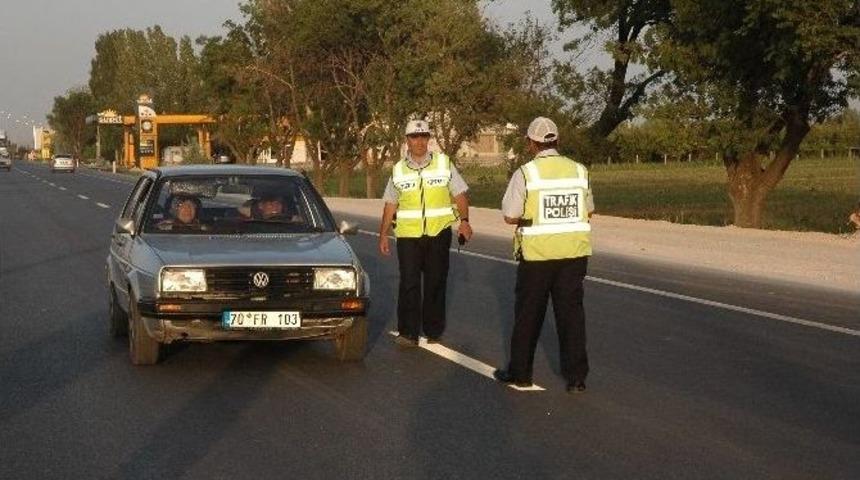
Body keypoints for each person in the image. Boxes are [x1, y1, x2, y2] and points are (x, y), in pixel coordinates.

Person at [493, 117, 594, 394]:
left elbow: (510, 216)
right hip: (573, 255)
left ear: (530, 143)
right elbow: (589, 210)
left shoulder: (526, 173)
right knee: (572, 316)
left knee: (528, 315)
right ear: (557, 141)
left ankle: (520, 374)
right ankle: (576, 379)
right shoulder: (579, 171)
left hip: (537, 256)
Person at [378, 119, 473, 346]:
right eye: (414, 137)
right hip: (408, 236)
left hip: (438, 233)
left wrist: (465, 222)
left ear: (428, 139)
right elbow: (390, 204)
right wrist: (383, 234)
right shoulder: (398, 170)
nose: (419, 141)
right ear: (407, 141)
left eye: (423, 137)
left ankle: (433, 330)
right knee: (409, 282)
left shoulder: (444, 164)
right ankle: (408, 333)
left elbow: (459, 195)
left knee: (435, 282)